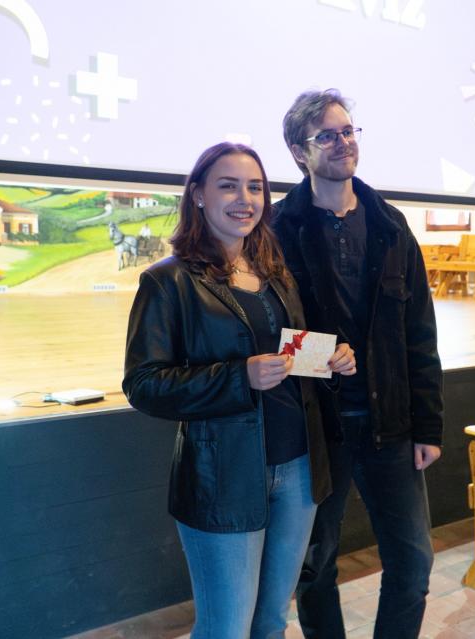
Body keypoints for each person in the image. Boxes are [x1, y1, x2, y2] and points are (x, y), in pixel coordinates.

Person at [123, 142, 357, 639]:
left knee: (270, 622)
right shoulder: (167, 282)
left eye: (255, 187)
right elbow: (144, 385)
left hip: (298, 471)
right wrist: (238, 376)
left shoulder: (275, 273)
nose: (244, 199)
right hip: (223, 477)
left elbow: (292, 355)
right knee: (226, 629)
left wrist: (333, 358)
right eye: (228, 186)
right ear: (198, 195)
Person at [273, 89, 444, 639]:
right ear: (299, 152)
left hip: (389, 424)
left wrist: (428, 426)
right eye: (326, 135)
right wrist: (319, 354)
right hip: (315, 430)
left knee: (413, 564)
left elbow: (420, 333)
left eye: (348, 131)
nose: (343, 142)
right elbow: (260, 331)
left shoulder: (391, 224)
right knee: (314, 565)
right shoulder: (276, 230)